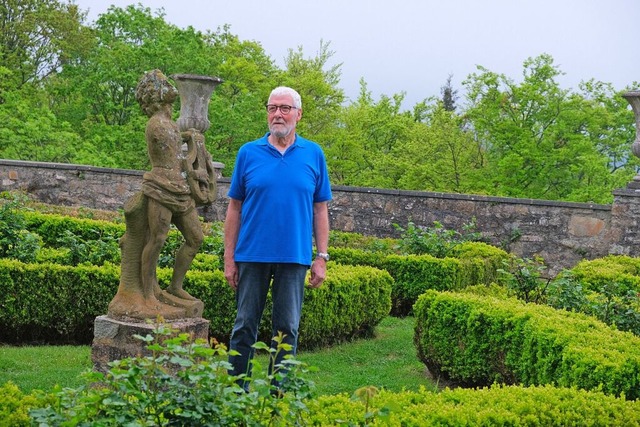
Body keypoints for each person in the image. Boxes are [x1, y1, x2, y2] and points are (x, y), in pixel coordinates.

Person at [224, 86, 332, 391]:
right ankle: (236, 392)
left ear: (298, 114)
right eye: (272, 108)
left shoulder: (313, 154)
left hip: (294, 258)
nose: (278, 114)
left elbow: (320, 209)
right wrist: (228, 257)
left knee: (287, 329)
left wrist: (321, 256)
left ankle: (278, 396)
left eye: (285, 108)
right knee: (244, 326)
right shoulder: (248, 153)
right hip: (251, 255)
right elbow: (234, 208)